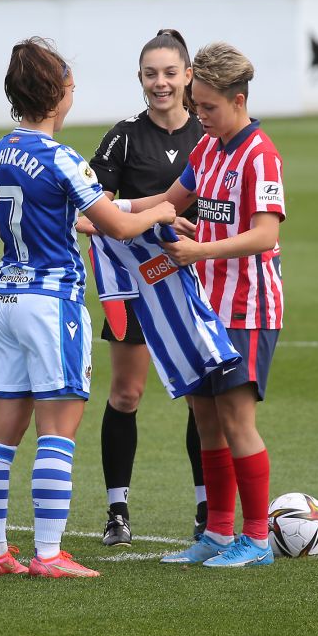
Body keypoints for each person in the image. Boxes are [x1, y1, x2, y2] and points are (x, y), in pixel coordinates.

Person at [0, 37, 177, 578]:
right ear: (56, 94)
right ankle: (48, 554)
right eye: (70, 86)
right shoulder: (62, 157)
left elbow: (1, 222)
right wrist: (164, 210)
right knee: (58, 429)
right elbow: (119, 226)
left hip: (4, 295)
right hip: (51, 301)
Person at [127, 41, 285, 569]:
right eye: (196, 105)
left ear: (238, 100)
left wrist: (199, 251)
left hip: (247, 306)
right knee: (205, 419)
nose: (200, 115)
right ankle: (217, 533)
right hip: (205, 305)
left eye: (208, 107)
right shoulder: (207, 149)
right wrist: (104, 214)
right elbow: (168, 202)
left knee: (237, 419)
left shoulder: (260, 155)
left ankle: (256, 539)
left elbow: (265, 235)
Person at [84, 29, 207, 547]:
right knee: (126, 393)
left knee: (201, 396)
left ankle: (207, 509)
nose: (161, 83)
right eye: (151, 74)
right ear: (139, 78)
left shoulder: (208, 132)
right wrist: (155, 219)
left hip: (195, 278)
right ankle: (117, 512)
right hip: (137, 282)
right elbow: (90, 212)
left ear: (188, 77)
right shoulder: (124, 136)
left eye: (170, 73)